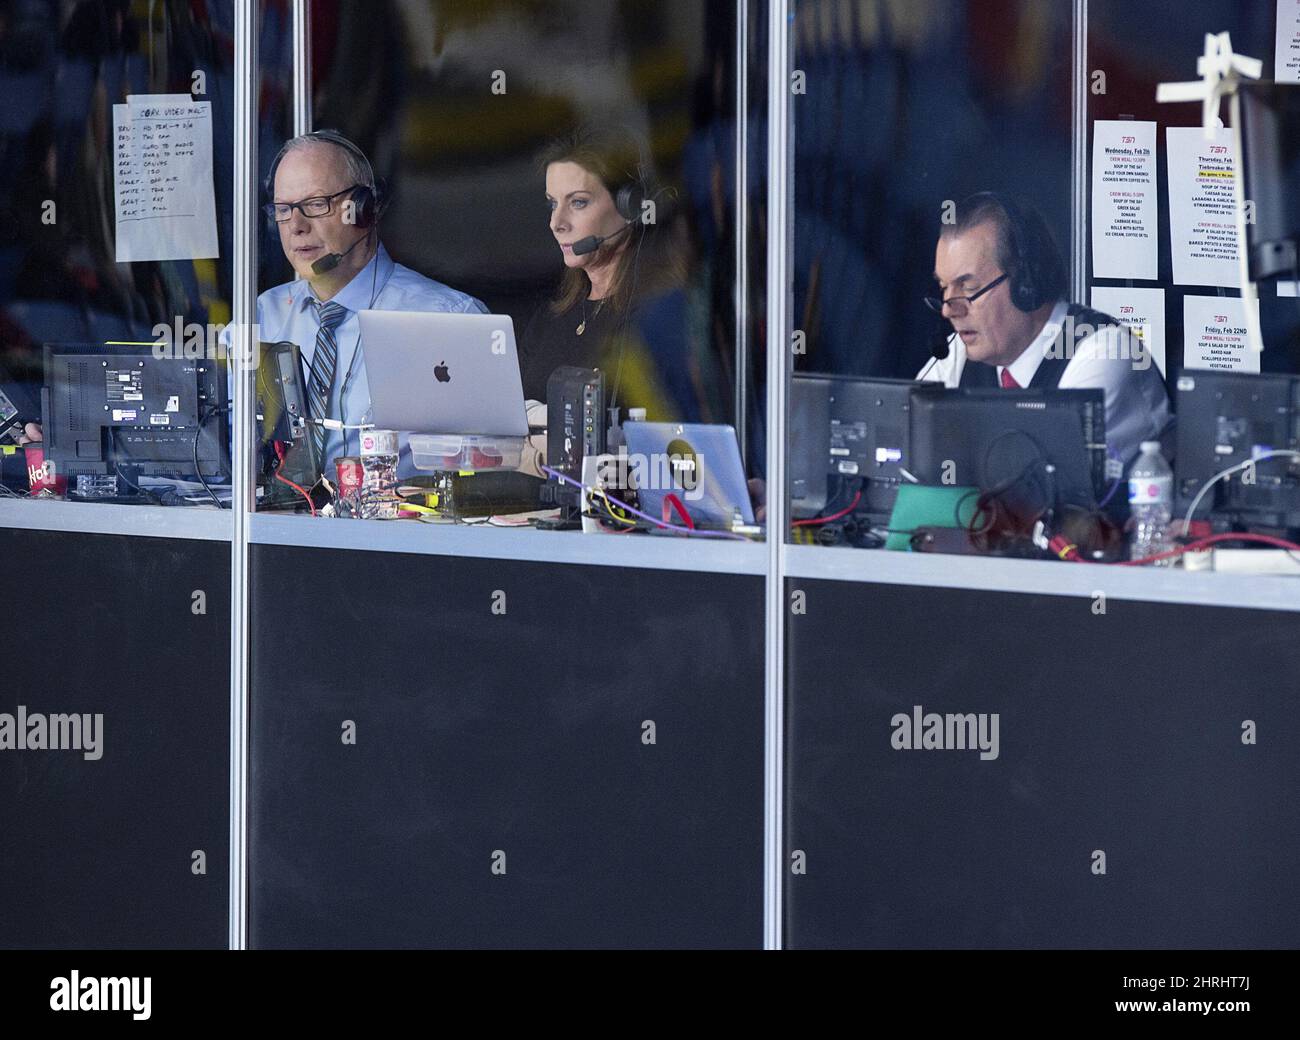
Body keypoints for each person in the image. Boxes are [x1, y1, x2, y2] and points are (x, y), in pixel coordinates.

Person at [258, 130, 487, 477]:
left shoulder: (450, 320)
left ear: (364, 208)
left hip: (394, 528)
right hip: (270, 527)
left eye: (317, 205)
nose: (297, 227)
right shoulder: (262, 317)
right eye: (284, 210)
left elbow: (487, 472)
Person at [920, 192, 1171, 469]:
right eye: (944, 288)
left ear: (1026, 284)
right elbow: (913, 446)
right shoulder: (960, 353)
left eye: (968, 288)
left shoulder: (1107, 352)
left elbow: (1033, 479)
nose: (948, 309)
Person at [518, 126, 678, 424]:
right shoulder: (550, 319)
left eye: (578, 202)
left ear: (629, 205)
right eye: (553, 203)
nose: (557, 222)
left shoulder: (658, 319)